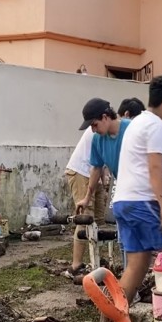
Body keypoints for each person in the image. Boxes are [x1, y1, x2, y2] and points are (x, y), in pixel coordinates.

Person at [112, 74, 162, 308]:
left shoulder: (138, 122)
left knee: (136, 266)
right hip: (143, 202)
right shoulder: (158, 126)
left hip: (123, 203)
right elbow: (155, 169)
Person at [75, 97, 141, 212]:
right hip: (124, 192)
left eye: (95, 125)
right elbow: (96, 168)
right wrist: (87, 198)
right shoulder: (97, 140)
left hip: (142, 192)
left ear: (105, 117)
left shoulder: (132, 129)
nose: (93, 130)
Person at [65, 99, 107, 276]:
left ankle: (95, 260)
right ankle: (76, 266)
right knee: (85, 217)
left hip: (92, 173)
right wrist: (95, 188)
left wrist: (104, 185)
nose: (92, 128)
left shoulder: (110, 130)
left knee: (99, 219)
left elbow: (101, 163)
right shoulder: (97, 131)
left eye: (93, 124)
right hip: (80, 172)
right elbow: (95, 165)